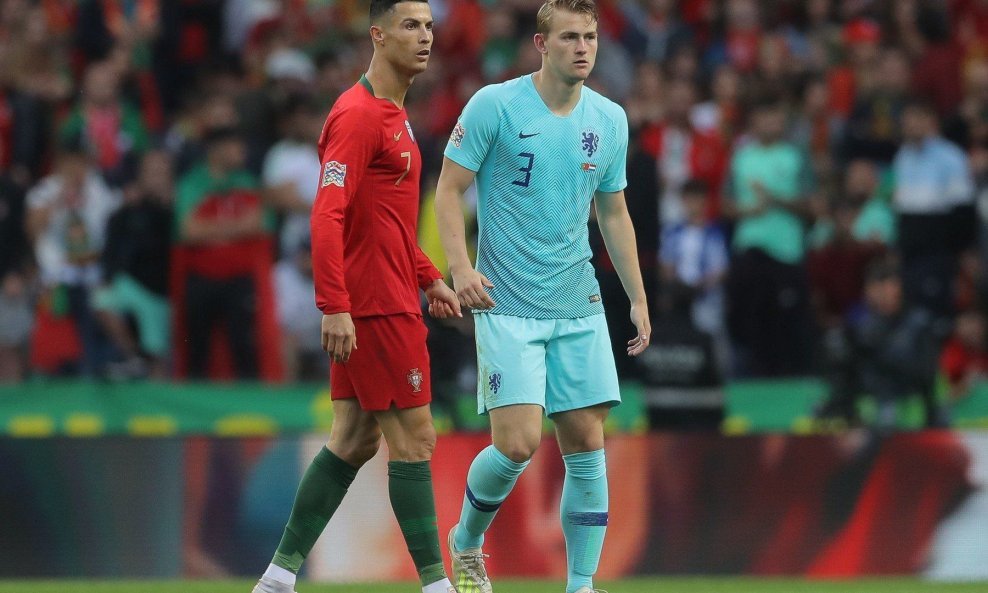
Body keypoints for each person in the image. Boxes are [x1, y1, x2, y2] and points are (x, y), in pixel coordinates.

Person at [433, 1, 651, 592]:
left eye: (591, 37)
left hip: (578, 303)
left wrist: (636, 296)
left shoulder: (609, 119)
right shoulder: (495, 106)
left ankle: (580, 586)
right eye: (570, 37)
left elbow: (614, 212)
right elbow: (448, 192)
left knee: (586, 442)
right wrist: (460, 269)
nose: (583, 47)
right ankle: (467, 541)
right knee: (518, 444)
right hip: (507, 302)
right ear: (541, 43)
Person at [252, 1, 460, 593]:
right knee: (415, 439)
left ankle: (276, 580)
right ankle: (437, 586)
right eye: (410, 26)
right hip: (372, 306)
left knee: (353, 439)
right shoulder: (358, 115)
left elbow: (386, 223)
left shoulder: (395, 113)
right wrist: (334, 304)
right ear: (378, 35)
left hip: (390, 293)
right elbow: (328, 214)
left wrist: (429, 276)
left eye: (428, 26)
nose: (424, 37)